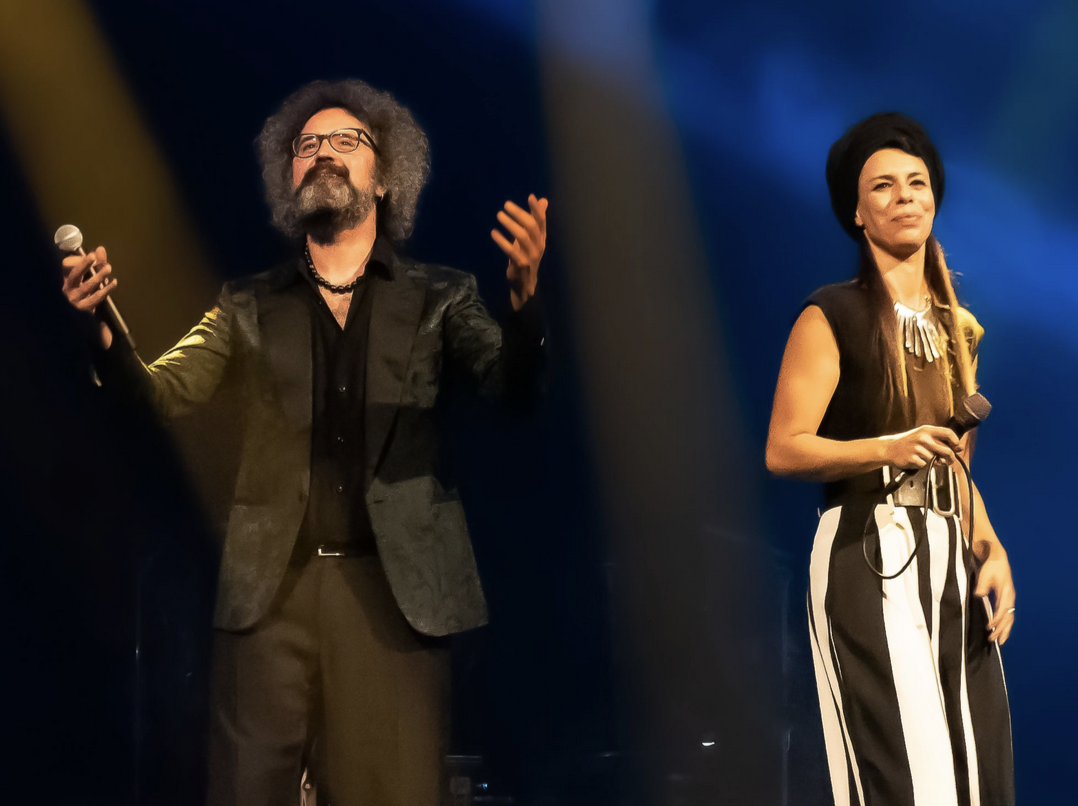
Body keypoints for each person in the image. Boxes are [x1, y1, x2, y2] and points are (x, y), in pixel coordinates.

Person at [60, 79, 548, 806]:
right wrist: (104, 328)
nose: (323, 152)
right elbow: (159, 396)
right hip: (270, 600)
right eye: (307, 144)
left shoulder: (440, 296)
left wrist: (526, 306)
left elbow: (512, 388)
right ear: (287, 176)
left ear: (384, 177)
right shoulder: (247, 306)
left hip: (392, 600)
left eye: (345, 140)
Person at [765, 113, 1015, 805]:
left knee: (978, 775)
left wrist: (989, 545)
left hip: (950, 557)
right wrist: (888, 447)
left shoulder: (959, 329)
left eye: (917, 182)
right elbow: (784, 447)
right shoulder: (831, 314)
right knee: (908, 779)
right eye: (883, 185)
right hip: (868, 549)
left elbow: (956, 466)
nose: (904, 195)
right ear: (857, 211)